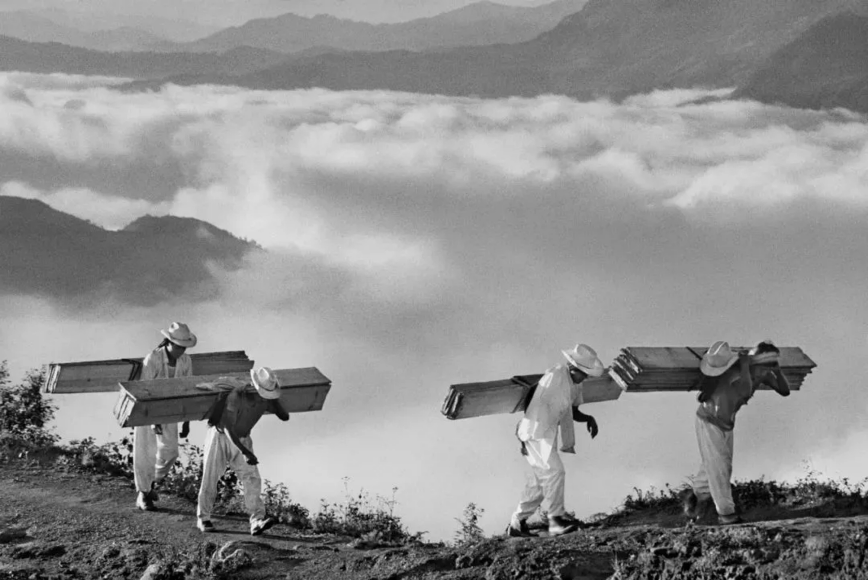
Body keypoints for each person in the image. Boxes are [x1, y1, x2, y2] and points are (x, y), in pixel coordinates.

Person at [682, 340, 791, 525]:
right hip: (709, 422)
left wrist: (777, 371)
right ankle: (726, 514)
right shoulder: (735, 374)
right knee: (720, 468)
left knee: (715, 465)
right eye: (765, 366)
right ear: (755, 364)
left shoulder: (759, 373)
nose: (766, 371)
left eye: (770, 366)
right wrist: (747, 367)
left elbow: (784, 390)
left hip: (725, 424)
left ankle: (696, 501)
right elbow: (745, 389)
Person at [506, 343, 604, 538]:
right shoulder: (555, 375)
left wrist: (589, 419)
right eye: (583, 373)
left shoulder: (576, 384)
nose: (584, 378)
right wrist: (522, 435)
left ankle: (517, 524)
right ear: (573, 368)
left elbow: (573, 410)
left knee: (541, 482)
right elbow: (533, 398)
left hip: (548, 435)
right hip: (534, 431)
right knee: (555, 472)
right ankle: (556, 522)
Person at [196, 366, 290, 535]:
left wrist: (274, 400)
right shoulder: (237, 396)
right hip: (221, 437)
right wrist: (246, 452)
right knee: (210, 477)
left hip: (244, 437)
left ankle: (257, 520)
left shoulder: (267, 400)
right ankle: (203, 518)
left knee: (252, 479)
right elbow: (227, 427)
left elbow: (285, 416)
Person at [134, 322, 197, 511]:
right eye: (178, 346)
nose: (180, 350)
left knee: (170, 452)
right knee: (145, 452)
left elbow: (188, 389)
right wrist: (152, 421)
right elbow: (146, 389)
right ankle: (143, 494)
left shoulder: (185, 361)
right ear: (168, 342)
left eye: (183, 347)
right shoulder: (153, 358)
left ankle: (151, 482)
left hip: (171, 409)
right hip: (147, 409)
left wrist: (187, 420)